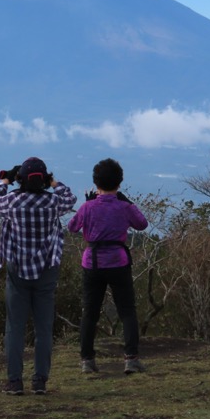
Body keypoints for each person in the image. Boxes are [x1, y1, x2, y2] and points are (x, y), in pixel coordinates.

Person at [0, 157, 77, 395]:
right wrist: (54, 182)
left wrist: (4, 180)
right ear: (44, 180)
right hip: (47, 270)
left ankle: (15, 382)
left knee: (15, 327)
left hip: (17, 270)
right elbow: (70, 198)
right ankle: (40, 381)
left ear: (21, 180)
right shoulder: (53, 203)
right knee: (44, 327)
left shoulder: (13, 202)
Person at [67, 158, 149, 375]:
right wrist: (126, 200)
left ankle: (87, 361)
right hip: (118, 262)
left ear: (96, 183)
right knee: (127, 311)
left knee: (90, 312)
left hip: (92, 262)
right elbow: (142, 224)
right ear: (119, 182)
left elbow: (72, 227)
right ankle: (131, 359)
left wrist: (88, 204)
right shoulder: (123, 206)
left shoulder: (88, 207)